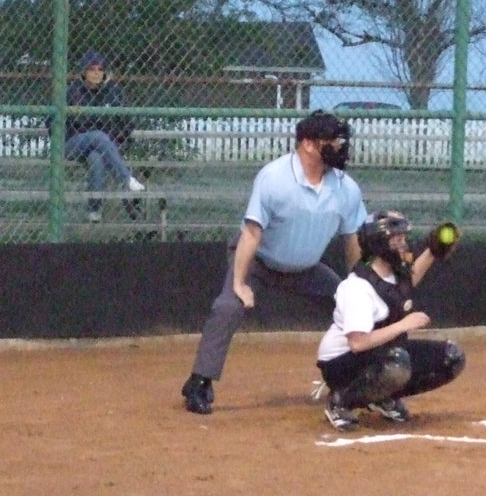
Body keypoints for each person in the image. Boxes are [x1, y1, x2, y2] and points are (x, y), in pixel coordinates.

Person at [180, 110, 369, 415]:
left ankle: (360, 378)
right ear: (307, 144)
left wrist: (359, 285)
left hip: (306, 268)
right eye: (330, 140)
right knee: (227, 306)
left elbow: (353, 238)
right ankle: (199, 382)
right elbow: (252, 233)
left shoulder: (345, 187)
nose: (338, 145)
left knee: (352, 308)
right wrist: (240, 283)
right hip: (258, 261)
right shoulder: (274, 178)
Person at [315, 210, 465, 431]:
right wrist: (404, 325)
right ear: (379, 244)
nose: (404, 244)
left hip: (378, 353)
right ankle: (341, 401)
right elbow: (358, 343)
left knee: (451, 358)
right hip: (341, 363)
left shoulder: (393, 273)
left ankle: (380, 395)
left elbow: (407, 282)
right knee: (397, 362)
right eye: (397, 239)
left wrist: (433, 251)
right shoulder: (358, 287)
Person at [64, 49, 146, 222]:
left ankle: (94, 210)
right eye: (92, 69)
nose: (96, 73)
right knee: (98, 136)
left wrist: (116, 138)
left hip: (104, 146)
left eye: (100, 69)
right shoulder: (72, 91)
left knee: (96, 157)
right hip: (73, 143)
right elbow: (54, 122)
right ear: (84, 71)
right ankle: (127, 180)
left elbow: (127, 122)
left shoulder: (113, 92)